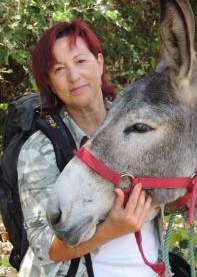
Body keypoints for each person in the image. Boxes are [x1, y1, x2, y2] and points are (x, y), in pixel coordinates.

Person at [17, 19, 160, 276]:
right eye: (59, 69)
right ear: (49, 82)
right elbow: (43, 245)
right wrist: (109, 232)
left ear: (100, 62)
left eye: (81, 61)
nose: (74, 76)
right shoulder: (40, 148)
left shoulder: (139, 127)